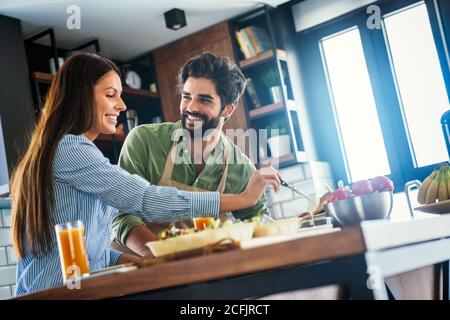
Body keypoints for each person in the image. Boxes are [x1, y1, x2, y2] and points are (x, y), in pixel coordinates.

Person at [10, 53, 280, 295]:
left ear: (227, 110)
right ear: (80, 96)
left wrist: (155, 265)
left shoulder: (75, 151)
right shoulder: (72, 149)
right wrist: (242, 199)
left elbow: (93, 253)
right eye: (110, 94)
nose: (122, 105)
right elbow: (146, 200)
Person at [112, 52, 271, 256]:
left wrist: (310, 215)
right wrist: (165, 260)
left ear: (227, 110)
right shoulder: (144, 141)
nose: (191, 108)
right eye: (186, 97)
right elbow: (122, 214)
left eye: (204, 100)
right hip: (145, 271)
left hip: (206, 274)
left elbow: (261, 225)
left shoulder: (240, 167)